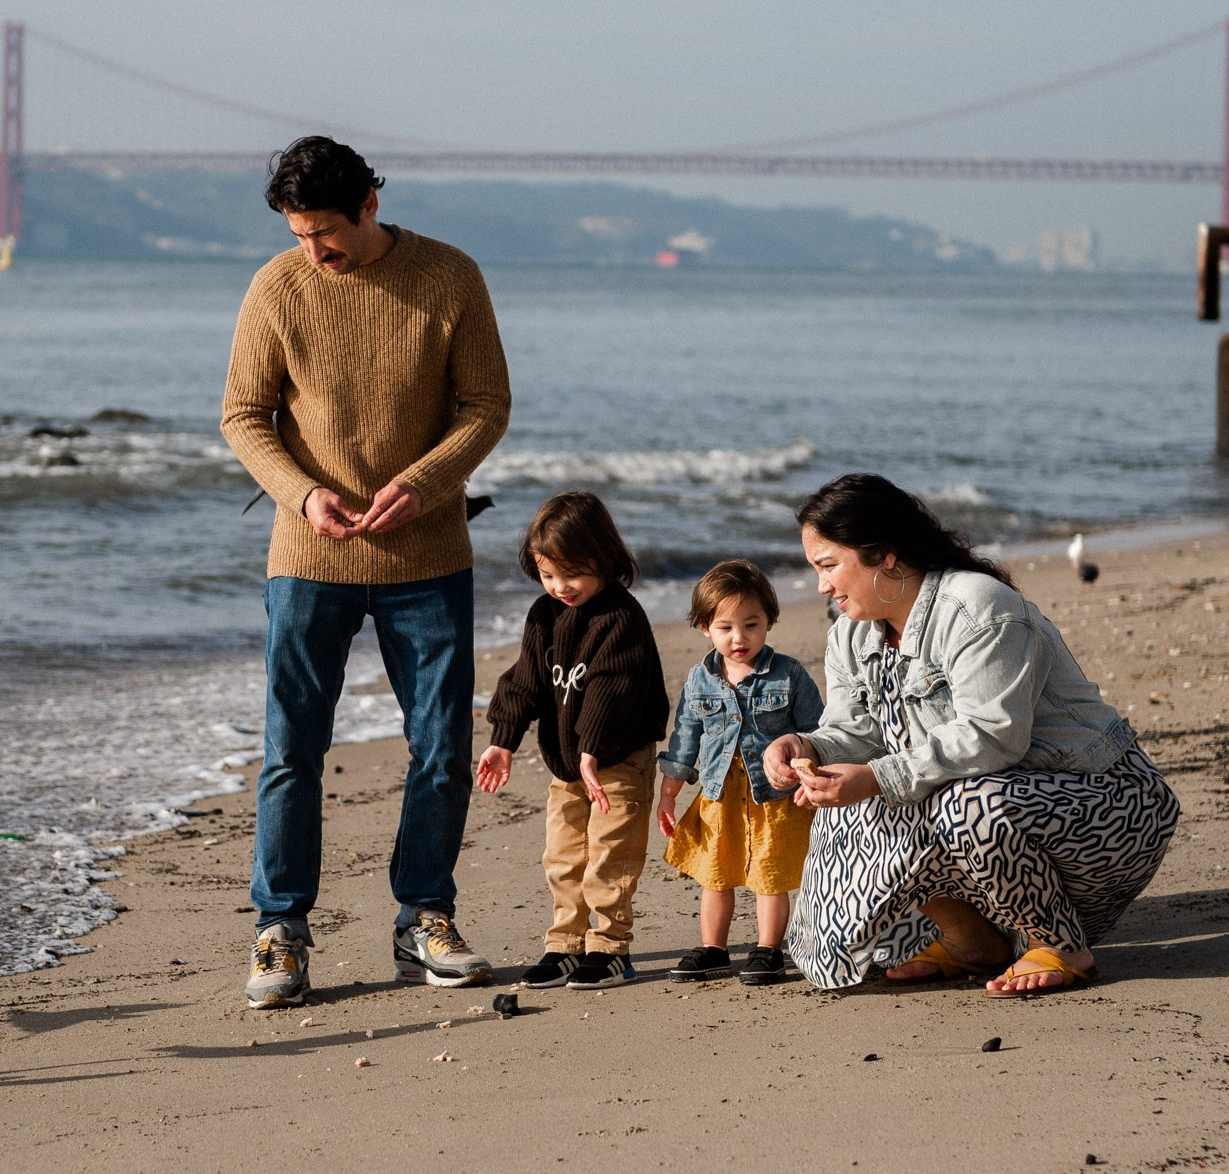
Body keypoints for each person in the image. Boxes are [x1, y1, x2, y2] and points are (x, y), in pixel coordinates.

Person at [221, 136, 511, 1009]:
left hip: (428, 558)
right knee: (290, 751)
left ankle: (422, 914)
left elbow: (487, 406)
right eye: (299, 234)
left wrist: (423, 486)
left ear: (371, 204)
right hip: (308, 558)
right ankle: (281, 929)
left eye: (325, 234)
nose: (313, 252)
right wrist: (305, 496)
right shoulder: (278, 286)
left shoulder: (450, 277)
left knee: (442, 750)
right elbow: (243, 415)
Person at [766, 474, 1180, 995]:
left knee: (959, 800)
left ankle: (1059, 945)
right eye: (815, 569)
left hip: (1102, 808)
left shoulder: (979, 607)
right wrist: (807, 748)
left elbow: (994, 736)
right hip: (991, 823)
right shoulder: (850, 632)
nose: (821, 586)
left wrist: (875, 776)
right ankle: (974, 942)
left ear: (885, 556)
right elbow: (855, 730)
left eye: (829, 566)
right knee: (854, 802)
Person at [478, 492, 668, 990]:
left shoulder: (621, 617)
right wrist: (504, 738)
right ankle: (566, 943)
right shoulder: (544, 616)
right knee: (563, 857)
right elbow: (525, 681)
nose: (561, 587)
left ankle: (610, 949)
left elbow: (615, 689)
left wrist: (593, 749)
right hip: (568, 766)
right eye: (547, 575)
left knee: (610, 855)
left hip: (619, 760)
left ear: (605, 558)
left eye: (574, 573)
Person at [655, 560, 823, 986]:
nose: (739, 637)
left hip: (774, 793)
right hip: (719, 792)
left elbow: (818, 731)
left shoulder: (788, 674)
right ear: (704, 628)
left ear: (769, 621)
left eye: (751, 624)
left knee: (770, 873)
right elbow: (685, 738)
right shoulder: (700, 679)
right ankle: (714, 949)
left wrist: (812, 774)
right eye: (725, 627)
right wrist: (670, 792)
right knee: (717, 871)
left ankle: (768, 949)